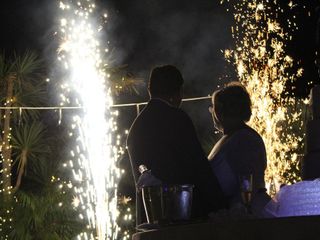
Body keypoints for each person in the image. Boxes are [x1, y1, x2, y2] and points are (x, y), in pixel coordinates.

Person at [127, 65, 227, 219]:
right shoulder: (176, 118)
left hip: (149, 217)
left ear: (150, 90)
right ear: (178, 92)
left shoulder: (136, 127)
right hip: (181, 214)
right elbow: (198, 166)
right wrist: (221, 205)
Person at [208, 82, 270, 215]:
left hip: (244, 214)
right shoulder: (234, 137)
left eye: (213, 107)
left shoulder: (244, 139)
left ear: (219, 112)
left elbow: (247, 182)